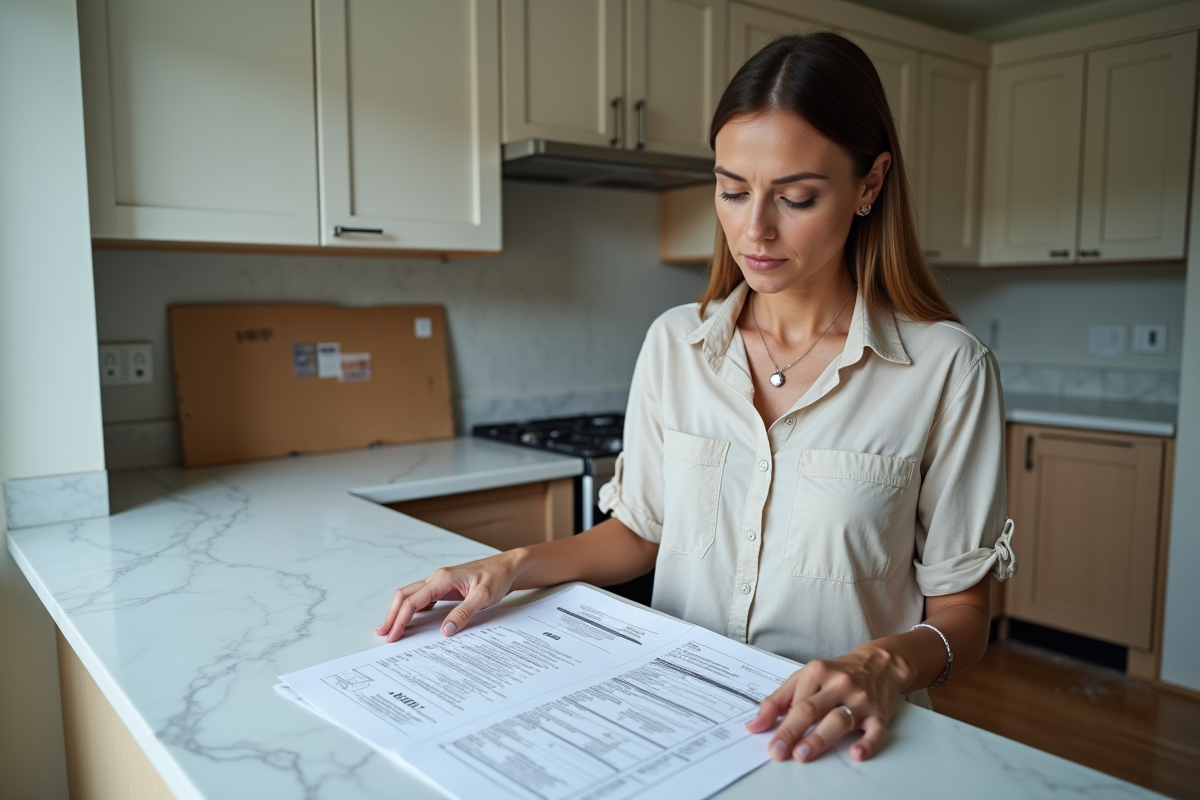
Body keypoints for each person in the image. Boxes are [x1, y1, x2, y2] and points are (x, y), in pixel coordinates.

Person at [375, 31, 1017, 766]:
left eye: (796, 196)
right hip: (675, 722)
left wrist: (884, 665)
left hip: (839, 745)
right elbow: (640, 535)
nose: (755, 229)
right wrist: (508, 565)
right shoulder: (675, 345)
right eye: (732, 189)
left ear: (870, 185)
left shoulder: (946, 369)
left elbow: (964, 617)